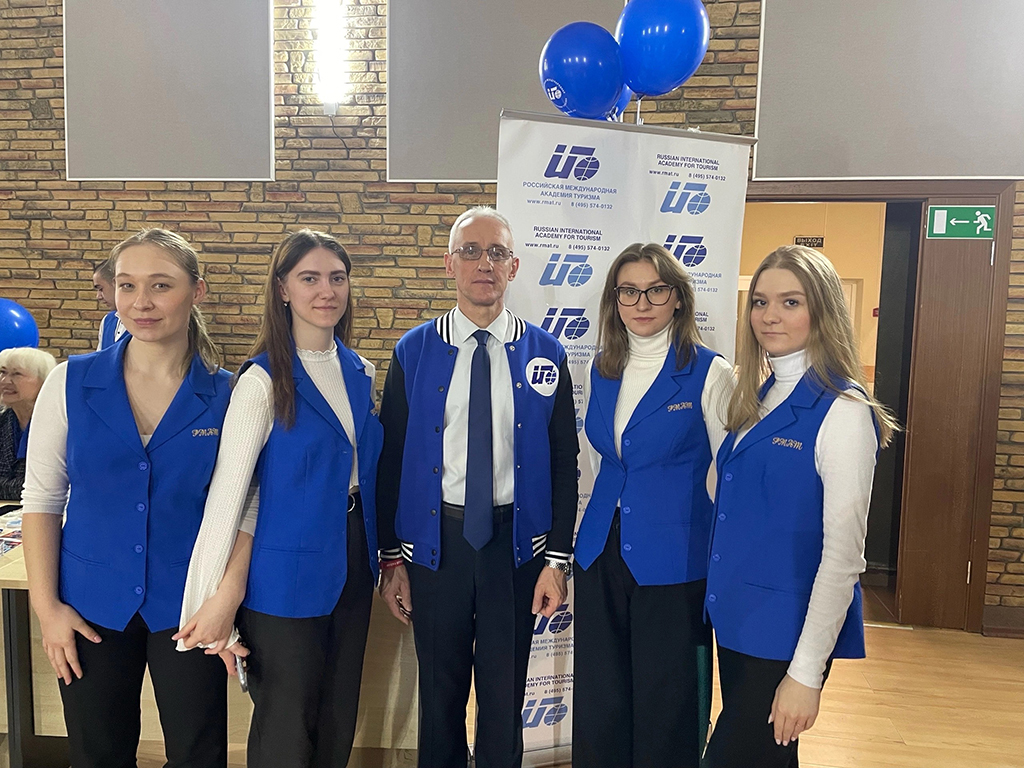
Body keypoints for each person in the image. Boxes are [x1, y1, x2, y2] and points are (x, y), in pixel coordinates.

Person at [376, 206, 579, 768]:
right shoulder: (413, 351)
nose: (483, 263)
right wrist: (391, 559)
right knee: (438, 694)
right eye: (470, 251)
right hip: (435, 547)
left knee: (504, 692)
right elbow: (391, 458)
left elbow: (564, 461)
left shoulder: (547, 353)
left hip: (515, 550)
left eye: (496, 252)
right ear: (450, 264)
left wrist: (557, 562)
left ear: (514, 266)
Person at [21, 228, 231, 768]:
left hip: (189, 605)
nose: (141, 302)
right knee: (97, 754)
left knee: (198, 752)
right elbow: (42, 499)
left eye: (161, 285)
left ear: (197, 291)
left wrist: (224, 603)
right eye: (127, 285)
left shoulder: (229, 394)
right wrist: (47, 608)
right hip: (88, 604)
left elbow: (242, 505)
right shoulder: (69, 381)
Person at [176, 229, 383, 768]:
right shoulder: (262, 381)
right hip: (284, 572)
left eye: (337, 278)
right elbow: (230, 497)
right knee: (287, 727)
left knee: (338, 715)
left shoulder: (359, 371)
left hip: (353, 556)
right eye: (309, 278)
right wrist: (210, 600)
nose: (326, 291)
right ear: (283, 289)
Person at [702, 245, 897, 768]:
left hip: (786, 632)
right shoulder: (759, 396)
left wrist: (807, 673)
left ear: (823, 309)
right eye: (760, 301)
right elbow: (724, 492)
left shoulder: (844, 410)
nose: (770, 315)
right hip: (739, 620)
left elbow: (843, 558)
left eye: (791, 302)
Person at [572, 243, 734, 768]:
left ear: (678, 298)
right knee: (601, 700)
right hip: (600, 552)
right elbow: (600, 461)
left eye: (656, 290)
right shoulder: (601, 368)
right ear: (614, 300)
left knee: (668, 705)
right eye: (629, 291)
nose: (642, 303)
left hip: (675, 559)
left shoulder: (709, 372)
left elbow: (728, 475)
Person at [0, 347, 56, 500]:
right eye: (2, 372)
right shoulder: (4, 420)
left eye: (16, 374)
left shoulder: (59, 425)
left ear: (44, 381)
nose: (5, 381)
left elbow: (47, 486)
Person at [94, 257, 127, 350]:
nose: (98, 296)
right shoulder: (107, 321)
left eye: (101, 289)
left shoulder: (144, 323)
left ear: (116, 283)